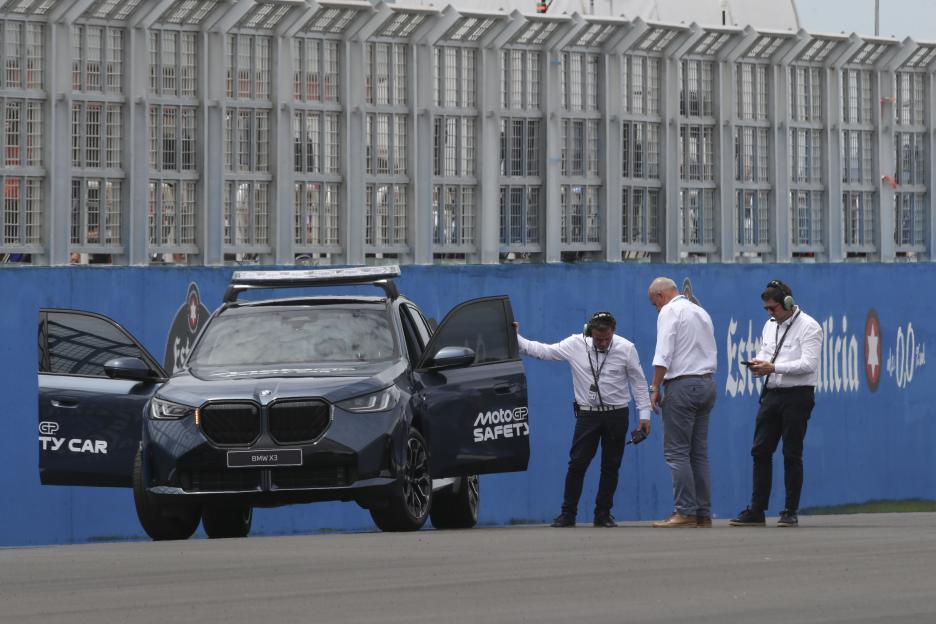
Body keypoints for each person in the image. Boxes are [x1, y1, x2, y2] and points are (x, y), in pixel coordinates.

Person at [514, 312, 651, 528]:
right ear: (589, 333)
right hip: (588, 414)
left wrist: (645, 415)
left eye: (607, 339)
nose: (603, 343)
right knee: (577, 463)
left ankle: (603, 514)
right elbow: (543, 351)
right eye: (598, 339)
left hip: (617, 413)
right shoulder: (575, 344)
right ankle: (568, 514)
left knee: (611, 465)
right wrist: (516, 337)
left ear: (613, 332)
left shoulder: (626, 348)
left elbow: (639, 383)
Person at [730, 280, 822, 528]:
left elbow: (809, 364)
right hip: (771, 393)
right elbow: (766, 352)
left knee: (791, 453)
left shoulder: (809, 327)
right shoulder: (770, 326)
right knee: (760, 451)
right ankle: (757, 509)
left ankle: (790, 510)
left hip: (797, 395)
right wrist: (759, 363)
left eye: (773, 308)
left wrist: (775, 367)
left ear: (788, 304)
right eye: (766, 309)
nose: (770, 313)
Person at [647, 277, 717, 528]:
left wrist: (654, 387)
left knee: (677, 452)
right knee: (698, 453)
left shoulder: (669, 311)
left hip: (682, 385)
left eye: (654, 304)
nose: (656, 309)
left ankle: (684, 511)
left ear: (660, 296)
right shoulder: (700, 311)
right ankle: (703, 513)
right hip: (707, 383)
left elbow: (663, 353)